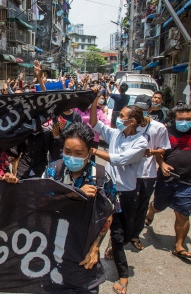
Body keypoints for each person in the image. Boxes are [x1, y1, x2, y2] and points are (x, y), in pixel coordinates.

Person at [43, 122, 117, 293]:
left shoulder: (100, 177)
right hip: (53, 249)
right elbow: (41, 204)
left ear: (90, 152)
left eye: (78, 153)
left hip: (84, 253)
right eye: (67, 152)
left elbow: (108, 215)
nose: (71, 157)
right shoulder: (53, 171)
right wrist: (74, 194)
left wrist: (96, 247)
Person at [89, 90, 148, 294]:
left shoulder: (140, 142)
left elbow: (119, 159)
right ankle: (123, 274)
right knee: (114, 232)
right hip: (109, 190)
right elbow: (96, 124)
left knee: (124, 233)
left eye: (122, 116)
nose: (118, 118)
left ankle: (117, 255)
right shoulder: (115, 133)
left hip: (126, 194)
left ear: (132, 121)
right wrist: (95, 103)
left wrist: (95, 151)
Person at [146, 103, 191, 259]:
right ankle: (151, 211)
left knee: (183, 214)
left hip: (187, 182)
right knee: (159, 206)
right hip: (167, 179)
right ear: (174, 119)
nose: (185, 122)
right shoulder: (166, 132)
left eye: (189, 119)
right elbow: (159, 152)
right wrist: (162, 164)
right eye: (181, 119)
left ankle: (179, 246)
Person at [129, 95, 170, 251]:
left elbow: (163, 148)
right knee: (125, 206)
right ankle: (119, 238)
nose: (140, 113)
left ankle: (135, 235)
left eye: (144, 110)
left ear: (150, 109)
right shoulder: (128, 125)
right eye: (138, 110)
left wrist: (152, 152)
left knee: (141, 206)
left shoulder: (158, 127)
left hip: (147, 174)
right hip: (128, 172)